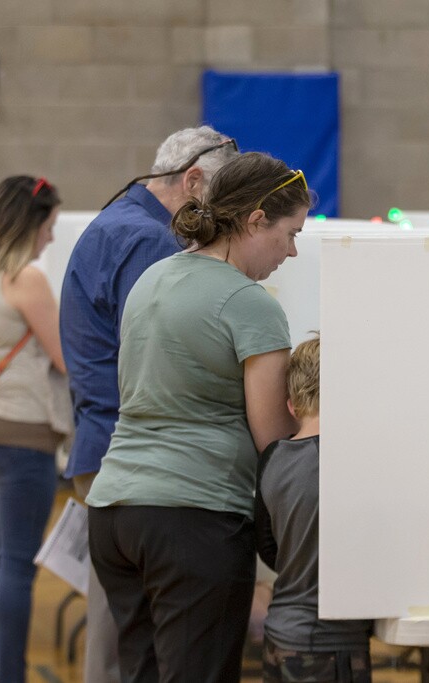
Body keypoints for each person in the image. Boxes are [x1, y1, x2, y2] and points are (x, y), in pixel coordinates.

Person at [87, 151, 311, 682]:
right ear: (256, 221)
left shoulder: (153, 278)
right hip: (192, 517)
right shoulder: (249, 302)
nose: (294, 251)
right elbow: (272, 440)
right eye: (291, 233)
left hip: (114, 510)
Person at [59, 125, 238, 682]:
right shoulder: (151, 240)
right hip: (132, 456)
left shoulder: (116, 223)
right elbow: (166, 355)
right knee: (132, 651)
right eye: (221, 196)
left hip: (107, 449)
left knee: (120, 644)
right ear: (191, 181)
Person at [0, 175, 66, 683]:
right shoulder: (26, 279)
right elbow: (68, 359)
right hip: (22, 439)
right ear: (32, 222)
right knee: (17, 566)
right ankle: (10, 677)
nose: (50, 237)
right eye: (49, 226)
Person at [255, 334, 374, 682]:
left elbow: (267, 546)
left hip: (279, 634)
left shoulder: (272, 458)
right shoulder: (353, 462)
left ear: (291, 406)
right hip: (329, 644)